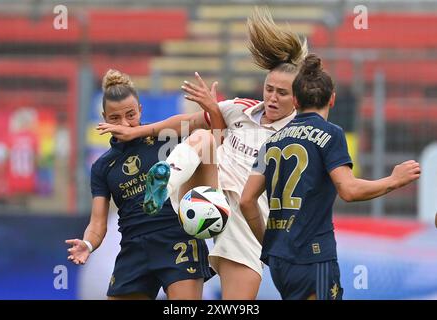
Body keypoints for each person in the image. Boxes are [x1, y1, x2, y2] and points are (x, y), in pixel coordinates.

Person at [96, 8, 308, 299]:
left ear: (297, 97)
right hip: (207, 195)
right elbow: (186, 124)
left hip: (246, 219)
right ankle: (164, 181)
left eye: (281, 93)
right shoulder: (241, 108)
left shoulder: (297, 134)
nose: (272, 97)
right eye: (268, 89)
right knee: (203, 137)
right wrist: (139, 131)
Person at [239, 54, 421, 300]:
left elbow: (247, 200)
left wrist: (271, 244)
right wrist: (394, 180)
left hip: (280, 260)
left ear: (294, 100)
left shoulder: (271, 141)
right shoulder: (331, 133)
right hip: (313, 257)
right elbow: (349, 190)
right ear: (332, 99)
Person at [65, 69, 214, 300]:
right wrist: (88, 243)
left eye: (130, 115)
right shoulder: (103, 166)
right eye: (115, 118)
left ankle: (172, 184)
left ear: (141, 110)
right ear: (104, 117)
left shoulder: (165, 136)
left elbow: (201, 121)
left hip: (176, 237)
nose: (124, 123)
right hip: (134, 247)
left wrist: (143, 130)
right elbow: (97, 223)